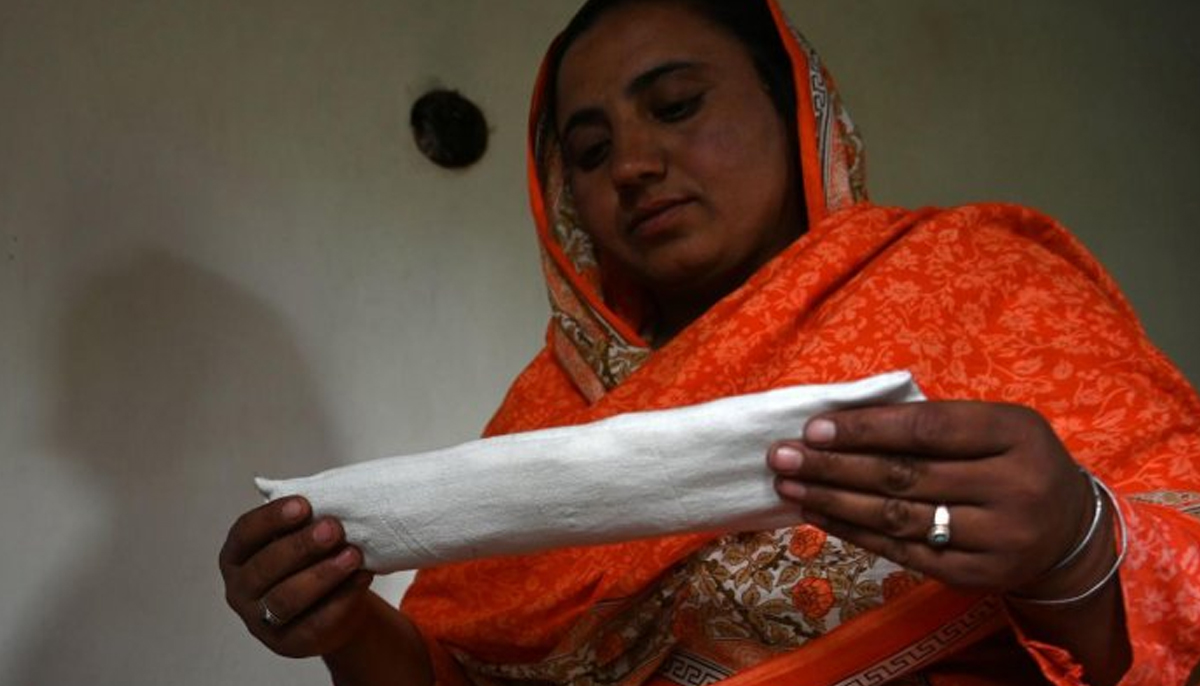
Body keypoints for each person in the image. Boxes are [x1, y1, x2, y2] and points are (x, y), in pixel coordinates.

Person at [218, 1, 1200, 684]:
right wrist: (344, 622)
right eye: (592, 151)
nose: (636, 165)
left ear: (795, 111)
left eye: (677, 106)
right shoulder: (557, 402)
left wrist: (1077, 540)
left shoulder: (969, 280)